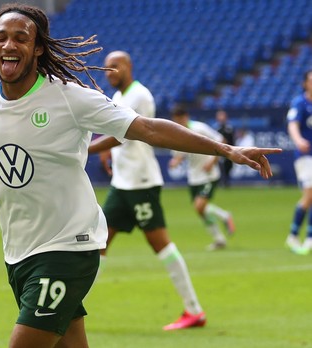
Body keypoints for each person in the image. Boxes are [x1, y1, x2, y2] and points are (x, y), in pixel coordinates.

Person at [0, 5, 279, 347]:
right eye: (1, 37)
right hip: (20, 253)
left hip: (69, 248)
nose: (9, 45)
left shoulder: (70, 98)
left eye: (21, 38)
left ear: (38, 48)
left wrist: (225, 149)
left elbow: (146, 128)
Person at [88, 51, 205, 331]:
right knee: (98, 243)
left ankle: (194, 310)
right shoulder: (118, 98)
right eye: (106, 69)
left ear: (128, 67)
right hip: (122, 184)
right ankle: (69, 310)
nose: (110, 72)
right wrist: (104, 155)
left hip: (140, 183)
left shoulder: (141, 96)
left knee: (160, 244)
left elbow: (124, 134)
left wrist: (89, 149)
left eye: (115, 67)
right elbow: (112, 133)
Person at [169, 106, 236, 251]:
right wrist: (176, 161)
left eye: (180, 119)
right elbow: (181, 153)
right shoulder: (177, 133)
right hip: (193, 177)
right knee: (200, 210)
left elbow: (221, 140)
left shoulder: (199, 128)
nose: (178, 122)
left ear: (186, 117)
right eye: (176, 120)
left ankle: (224, 217)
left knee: (200, 206)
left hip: (209, 175)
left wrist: (212, 161)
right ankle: (219, 237)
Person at [285, 69, 312, 255]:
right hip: (306, 156)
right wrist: (299, 140)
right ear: (305, 83)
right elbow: (292, 124)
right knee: (309, 194)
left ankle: (308, 236)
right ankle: (293, 235)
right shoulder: (300, 103)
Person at [215, 110, 235, 187]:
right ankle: (221, 181)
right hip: (220, 152)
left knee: (228, 166)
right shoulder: (216, 128)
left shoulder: (229, 128)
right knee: (219, 167)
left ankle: (227, 181)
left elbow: (232, 140)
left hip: (229, 151)